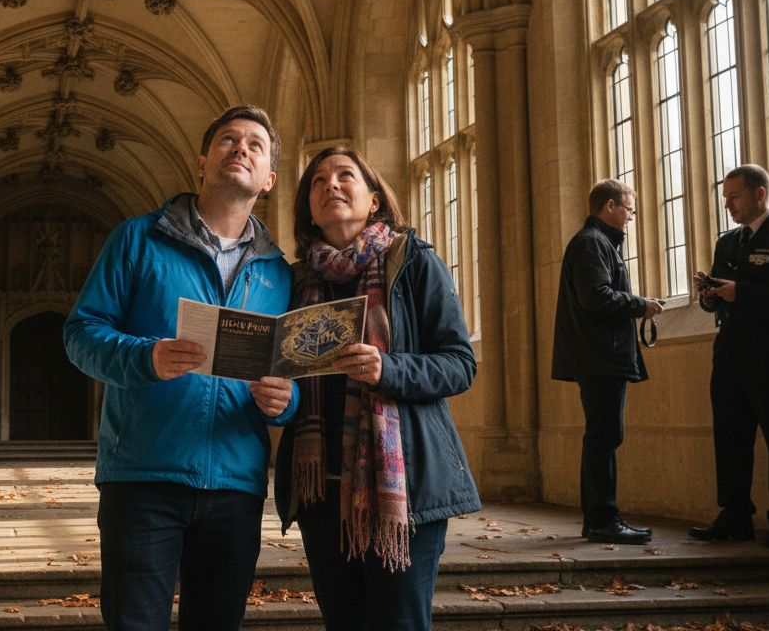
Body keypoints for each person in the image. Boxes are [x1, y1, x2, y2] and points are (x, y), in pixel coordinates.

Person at [63, 105, 299, 630]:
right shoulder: (136, 239)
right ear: (202, 163)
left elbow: (294, 372)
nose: (241, 149)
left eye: (255, 145)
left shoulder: (280, 273)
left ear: (270, 178)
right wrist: (144, 357)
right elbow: (80, 335)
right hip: (143, 475)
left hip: (236, 483)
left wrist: (286, 403)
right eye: (228, 140)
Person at [272, 147, 479, 630]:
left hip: (404, 487)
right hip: (321, 493)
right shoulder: (296, 281)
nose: (331, 185)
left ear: (374, 200)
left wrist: (389, 369)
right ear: (309, 209)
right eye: (318, 181)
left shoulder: (414, 263)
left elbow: (459, 364)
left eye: (345, 175)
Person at [689, 164, 769, 547]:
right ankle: (734, 516)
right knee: (730, 436)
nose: (728, 204)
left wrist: (741, 292)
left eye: (734, 196)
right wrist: (709, 295)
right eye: (725, 197)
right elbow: (720, 295)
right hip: (730, 348)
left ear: (760, 194)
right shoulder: (727, 242)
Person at [552, 179, 663, 545]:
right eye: (628, 209)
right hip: (600, 356)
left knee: (604, 435)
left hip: (602, 355)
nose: (631, 216)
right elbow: (596, 296)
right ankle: (603, 518)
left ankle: (598, 519)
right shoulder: (592, 243)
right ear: (610, 206)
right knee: (604, 436)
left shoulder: (599, 243)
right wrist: (640, 305)